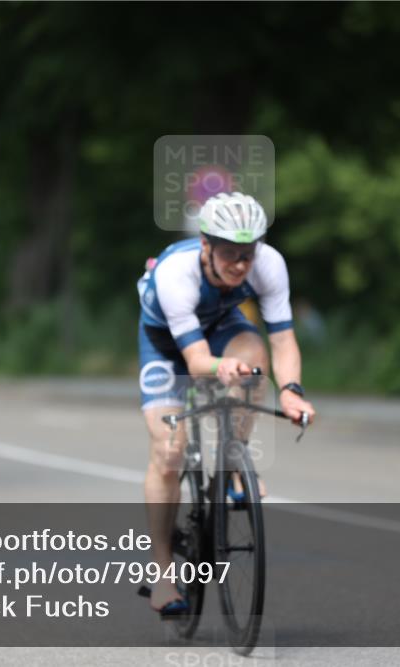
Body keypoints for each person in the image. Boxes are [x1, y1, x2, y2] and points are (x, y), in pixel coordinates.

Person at [136, 192, 316, 614]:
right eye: (230, 254)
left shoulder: (269, 265)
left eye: (247, 255)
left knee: (254, 361)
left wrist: (291, 390)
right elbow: (197, 361)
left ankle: (232, 464)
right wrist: (221, 367)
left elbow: (282, 338)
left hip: (221, 326)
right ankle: (163, 576)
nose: (240, 264)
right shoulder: (176, 274)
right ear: (206, 246)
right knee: (169, 451)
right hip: (168, 344)